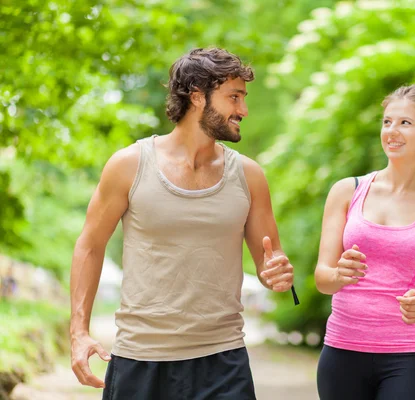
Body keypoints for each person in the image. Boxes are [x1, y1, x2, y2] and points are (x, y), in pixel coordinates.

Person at [69, 47, 295, 400]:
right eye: (234, 97)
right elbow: (90, 245)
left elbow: (270, 264)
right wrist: (78, 332)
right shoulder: (129, 165)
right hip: (141, 358)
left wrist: (277, 274)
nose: (243, 110)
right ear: (197, 97)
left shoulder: (249, 176)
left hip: (223, 359)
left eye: (244, 98)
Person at [315, 84, 415, 399]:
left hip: (408, 356)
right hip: (342, 349)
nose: (392, 131)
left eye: (405, 123)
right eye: (387, 121)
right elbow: (322, 278)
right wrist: (337, 275)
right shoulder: (346, 191)